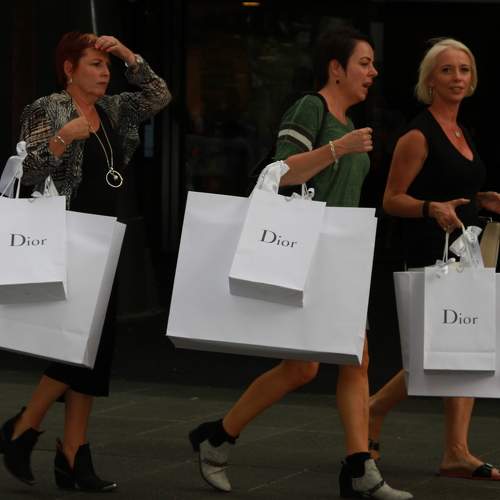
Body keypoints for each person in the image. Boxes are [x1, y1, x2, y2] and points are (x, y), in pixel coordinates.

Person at [189, 26, 413, 500]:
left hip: (337, 257)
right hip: (304, 251)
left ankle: (225, 439)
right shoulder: (312, 109)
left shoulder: (349, 123)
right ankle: (224, 438)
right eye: (364, 62)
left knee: (339, 361)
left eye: (372, 64)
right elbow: (282, 172)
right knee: (316, 366)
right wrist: (337, 149)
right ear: (336, 68)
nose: (372, 72)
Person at [0, 32, 170, 491]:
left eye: (106, 66)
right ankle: (24, 428)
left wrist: (127, 54)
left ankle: (72, 451)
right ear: (69, 69)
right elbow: (27, 172)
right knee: (79, 343)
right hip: (68, 237)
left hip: (105, 238)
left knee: (96, 347)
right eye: (95, 64)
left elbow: (158, 95)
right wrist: (61, 139)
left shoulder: (114, 110)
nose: (105, 73)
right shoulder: (48, 109)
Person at [369, 37, 500, 480]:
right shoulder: (417, 134)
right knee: (437, 353)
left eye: (464, 69)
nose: (457, 78)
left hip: (466, 252)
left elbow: (452, 182)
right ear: (430, 80)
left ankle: (456, 451)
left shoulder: (462, 130)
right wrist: (430, 208)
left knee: (464, 349)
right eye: (447, 70)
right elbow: (392, 199)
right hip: (433, 254)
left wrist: (483, 200)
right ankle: (373, 408)